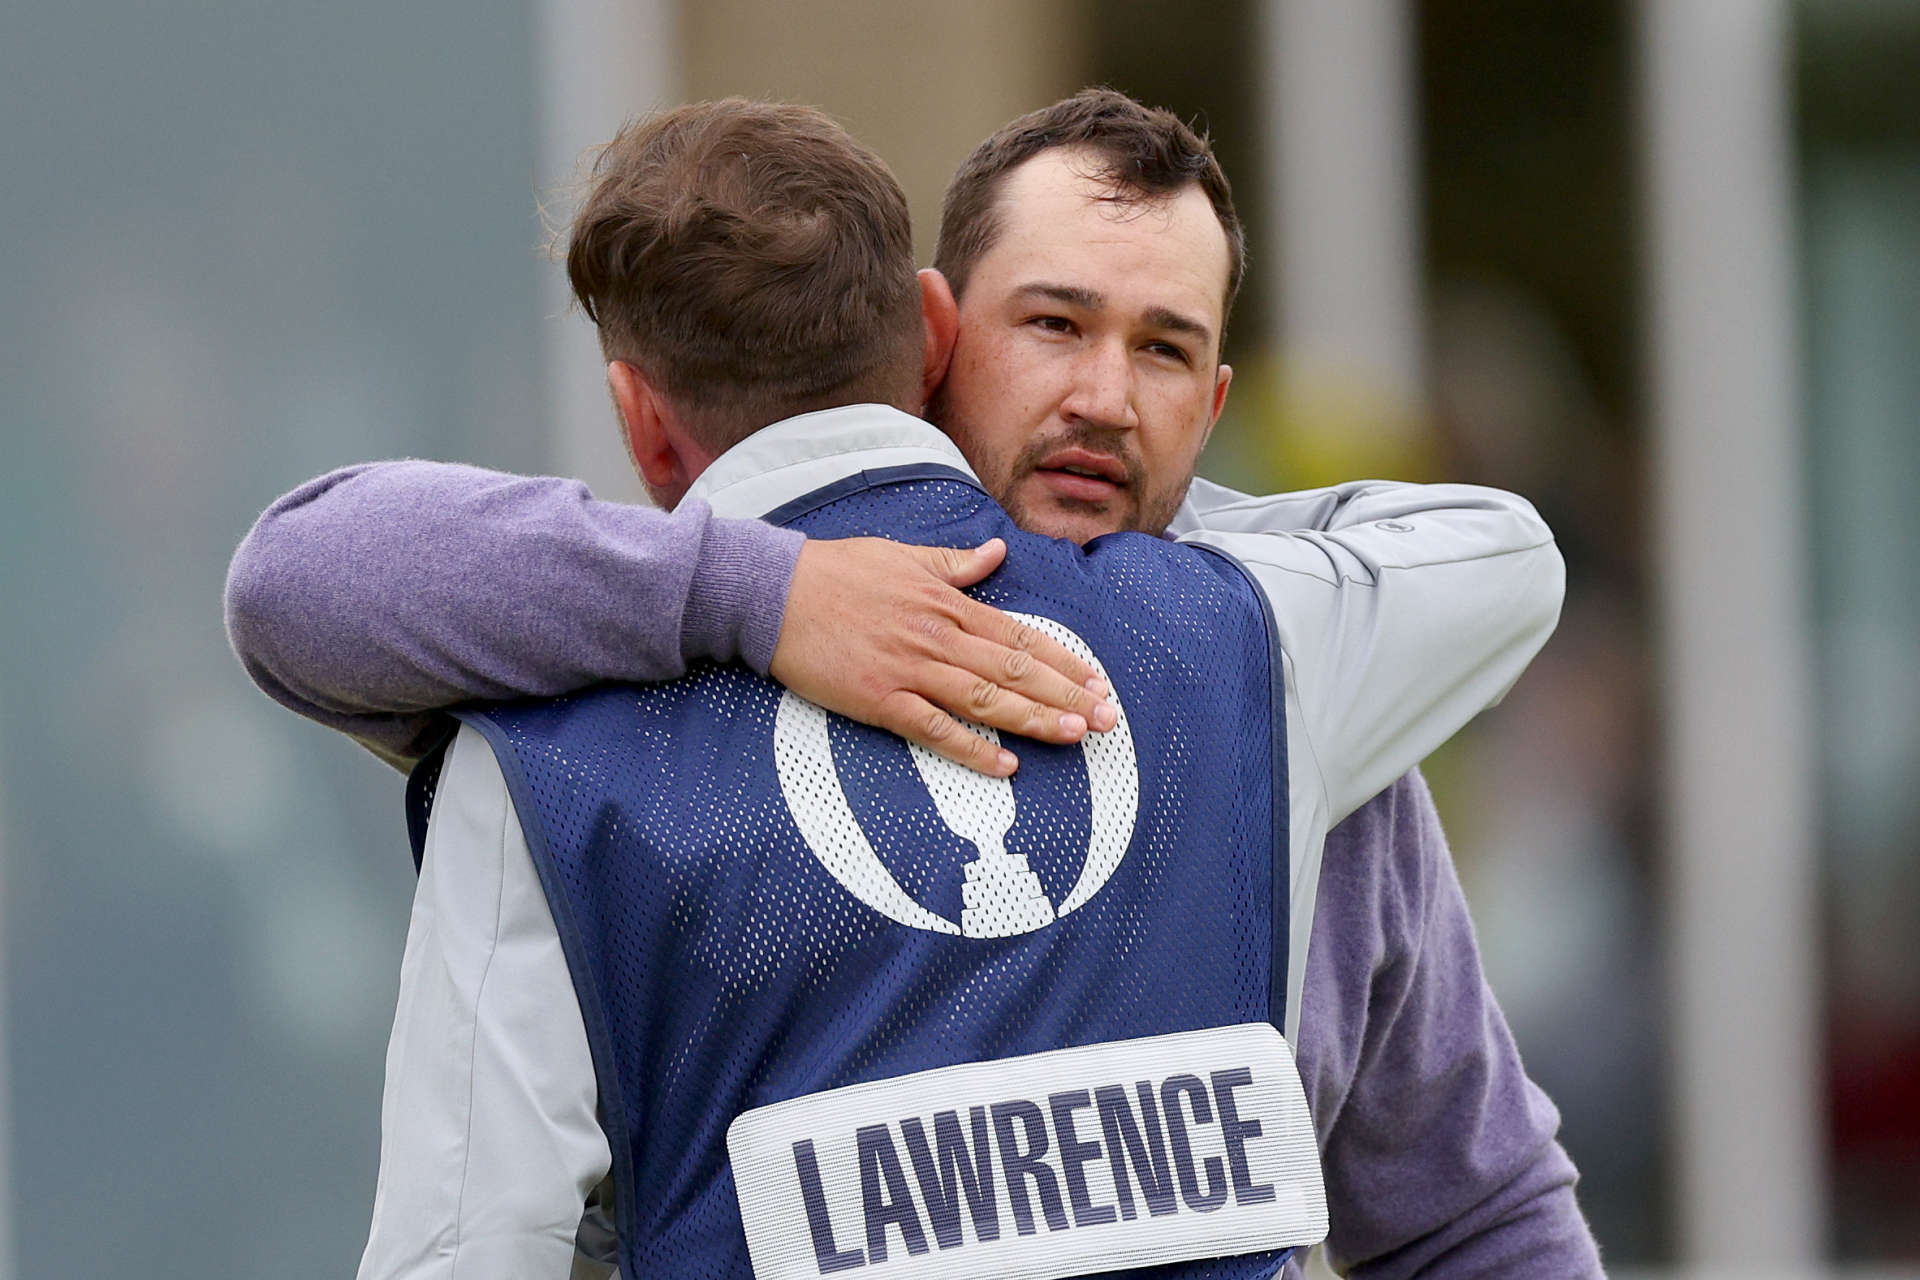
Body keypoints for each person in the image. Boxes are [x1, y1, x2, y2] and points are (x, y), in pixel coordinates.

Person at [227, 92, 1599, 1276]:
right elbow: (300, 576)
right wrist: (766, 594)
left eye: (1165, 349)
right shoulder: (602, 667)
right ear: (938, 336)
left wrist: (1158, 599)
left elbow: (1469, 1217)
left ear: (1218, 396)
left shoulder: (1283, 692)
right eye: (1055, 324)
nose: (1106, 400)